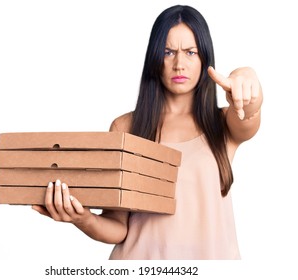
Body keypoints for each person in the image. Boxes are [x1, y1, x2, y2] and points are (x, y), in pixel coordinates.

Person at [32, 4, 263, 259]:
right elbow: (118, 227)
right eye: (168, 52)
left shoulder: (223, 124)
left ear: (204, 58)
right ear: (154, 58)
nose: (179, 64)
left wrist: (246, 77)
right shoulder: (126, 128)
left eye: (190, 52)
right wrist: (82, 218)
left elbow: (249, 112)